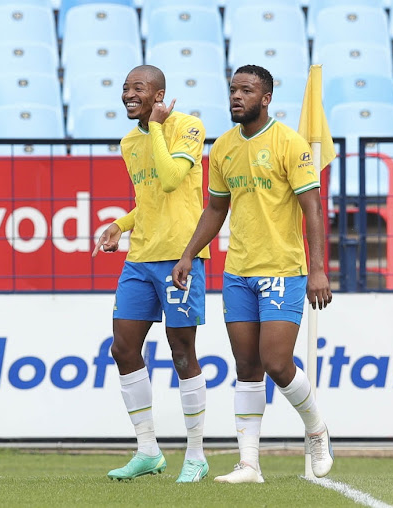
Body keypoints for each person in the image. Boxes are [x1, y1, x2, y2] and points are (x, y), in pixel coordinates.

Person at [171, 64, 334, 484]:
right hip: (238, 272)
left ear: (265, 99)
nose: (236, 97)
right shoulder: (223, 147)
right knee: (246, 366)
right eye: (232, 90)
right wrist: (189, 253)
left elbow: (312, 207)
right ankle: (249, 464)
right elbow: (215, 209)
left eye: (246, 90)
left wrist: (318, 268)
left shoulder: (288, 143)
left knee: (276, 363)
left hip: (283, 269)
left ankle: (316, 430)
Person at [92, 65, 211, 483]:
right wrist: (120, 226)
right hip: (140, 258)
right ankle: (148, 451)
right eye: (124, 88)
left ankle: (196, 455)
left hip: (181, 257)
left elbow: (173, 177)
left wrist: (158, 128)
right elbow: (151, 199)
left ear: (159, 94)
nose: (128, 94)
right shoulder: (129, 141)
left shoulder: (188, 127)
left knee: (182, 354)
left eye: (137, 88)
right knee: (123, 348)